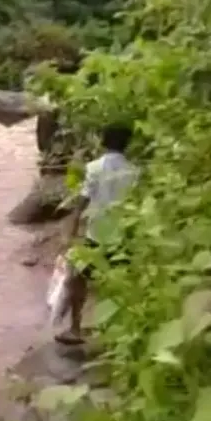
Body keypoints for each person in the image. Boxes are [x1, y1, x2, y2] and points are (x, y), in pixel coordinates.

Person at [56, 123, 137, 345]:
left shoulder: (93, 168)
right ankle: (120, 333)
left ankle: (75, 328)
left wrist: (70, 234)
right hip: (123, 238)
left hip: (96, 236)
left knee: (77, 281)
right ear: (127, 144)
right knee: (119, 287)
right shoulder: (134, 172)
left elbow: (81, 203)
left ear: (102, 141)